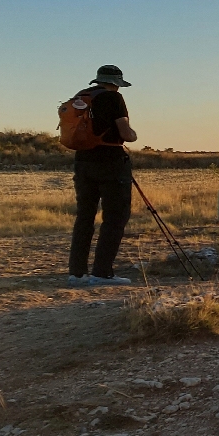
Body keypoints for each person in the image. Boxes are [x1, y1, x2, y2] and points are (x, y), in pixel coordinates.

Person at [68, 65, 139, 286]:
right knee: (115, 218)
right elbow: (126, 133)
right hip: (110, 162)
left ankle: (77, 273)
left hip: (83, 161)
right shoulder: (113, 99)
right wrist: (134, 135)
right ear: (116, 83)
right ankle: (102, 272)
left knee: (84, 218)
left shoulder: (81, 97)